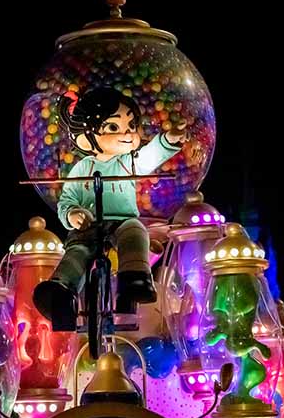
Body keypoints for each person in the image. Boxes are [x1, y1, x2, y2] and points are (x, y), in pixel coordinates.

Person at [34, 88, 186, 330]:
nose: (127, 133)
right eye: (114, 127)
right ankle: (61, 294)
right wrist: (73, 214)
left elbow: (150, 155)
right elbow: (67, 200)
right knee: (78, 251)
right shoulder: (82, 168)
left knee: (135, 233)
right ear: (85, 135)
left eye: (132, 125)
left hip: (123, 220)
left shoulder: (128, 162)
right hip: (89, 225)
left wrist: (168, 141)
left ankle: (135, 277)